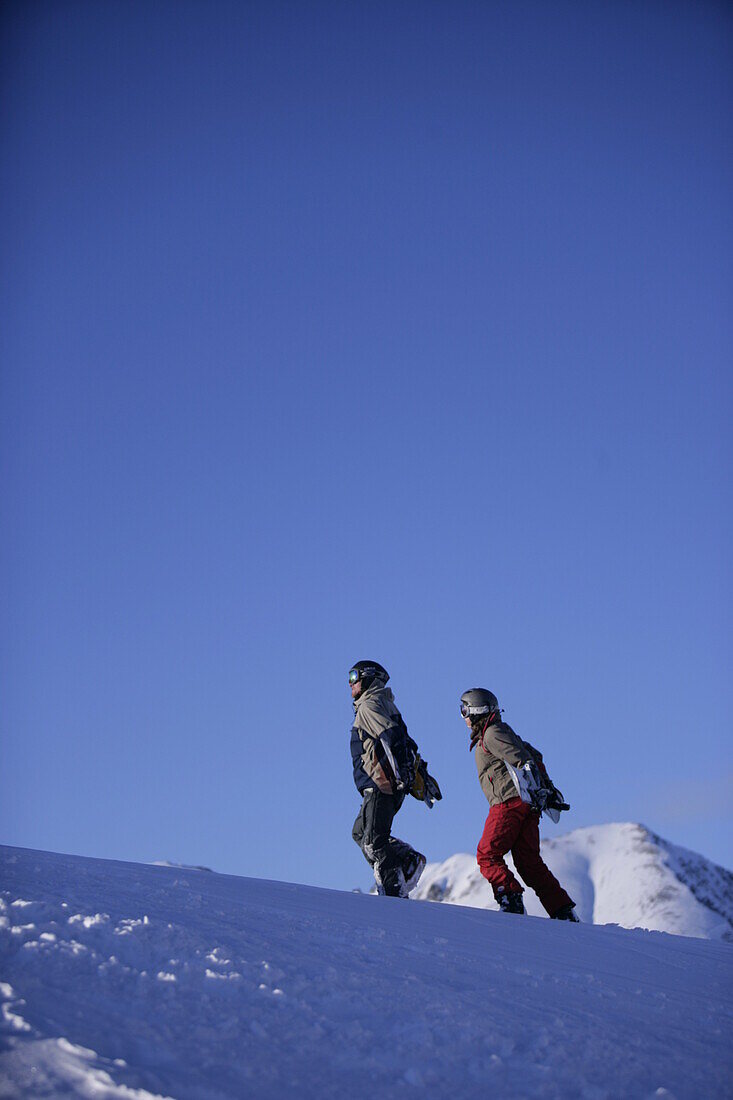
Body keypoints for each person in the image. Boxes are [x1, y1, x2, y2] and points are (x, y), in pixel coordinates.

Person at [460, 687, 578, 920]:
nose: (462, 716)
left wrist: (540, 787)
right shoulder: (498, 731)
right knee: (528, 861)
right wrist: (544, 790)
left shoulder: (492, 734)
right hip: (527, 804)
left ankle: (510, 901)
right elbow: (534, 756)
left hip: (508, 803)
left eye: (464, 710)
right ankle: (562, 911)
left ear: (476, 710)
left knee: (487, 854)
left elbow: (523, 759)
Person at [350, 660, 434, 897]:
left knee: (373, 842)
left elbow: (392, 737)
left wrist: (402, 774)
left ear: (368, 678)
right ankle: (405, 860)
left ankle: (394, 890)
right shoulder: (384, 703)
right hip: (382, 785)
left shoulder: (369, 706)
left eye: (354, 676)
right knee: (360, 833)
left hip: (380, 785)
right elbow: (405, 740)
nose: (350, 683)